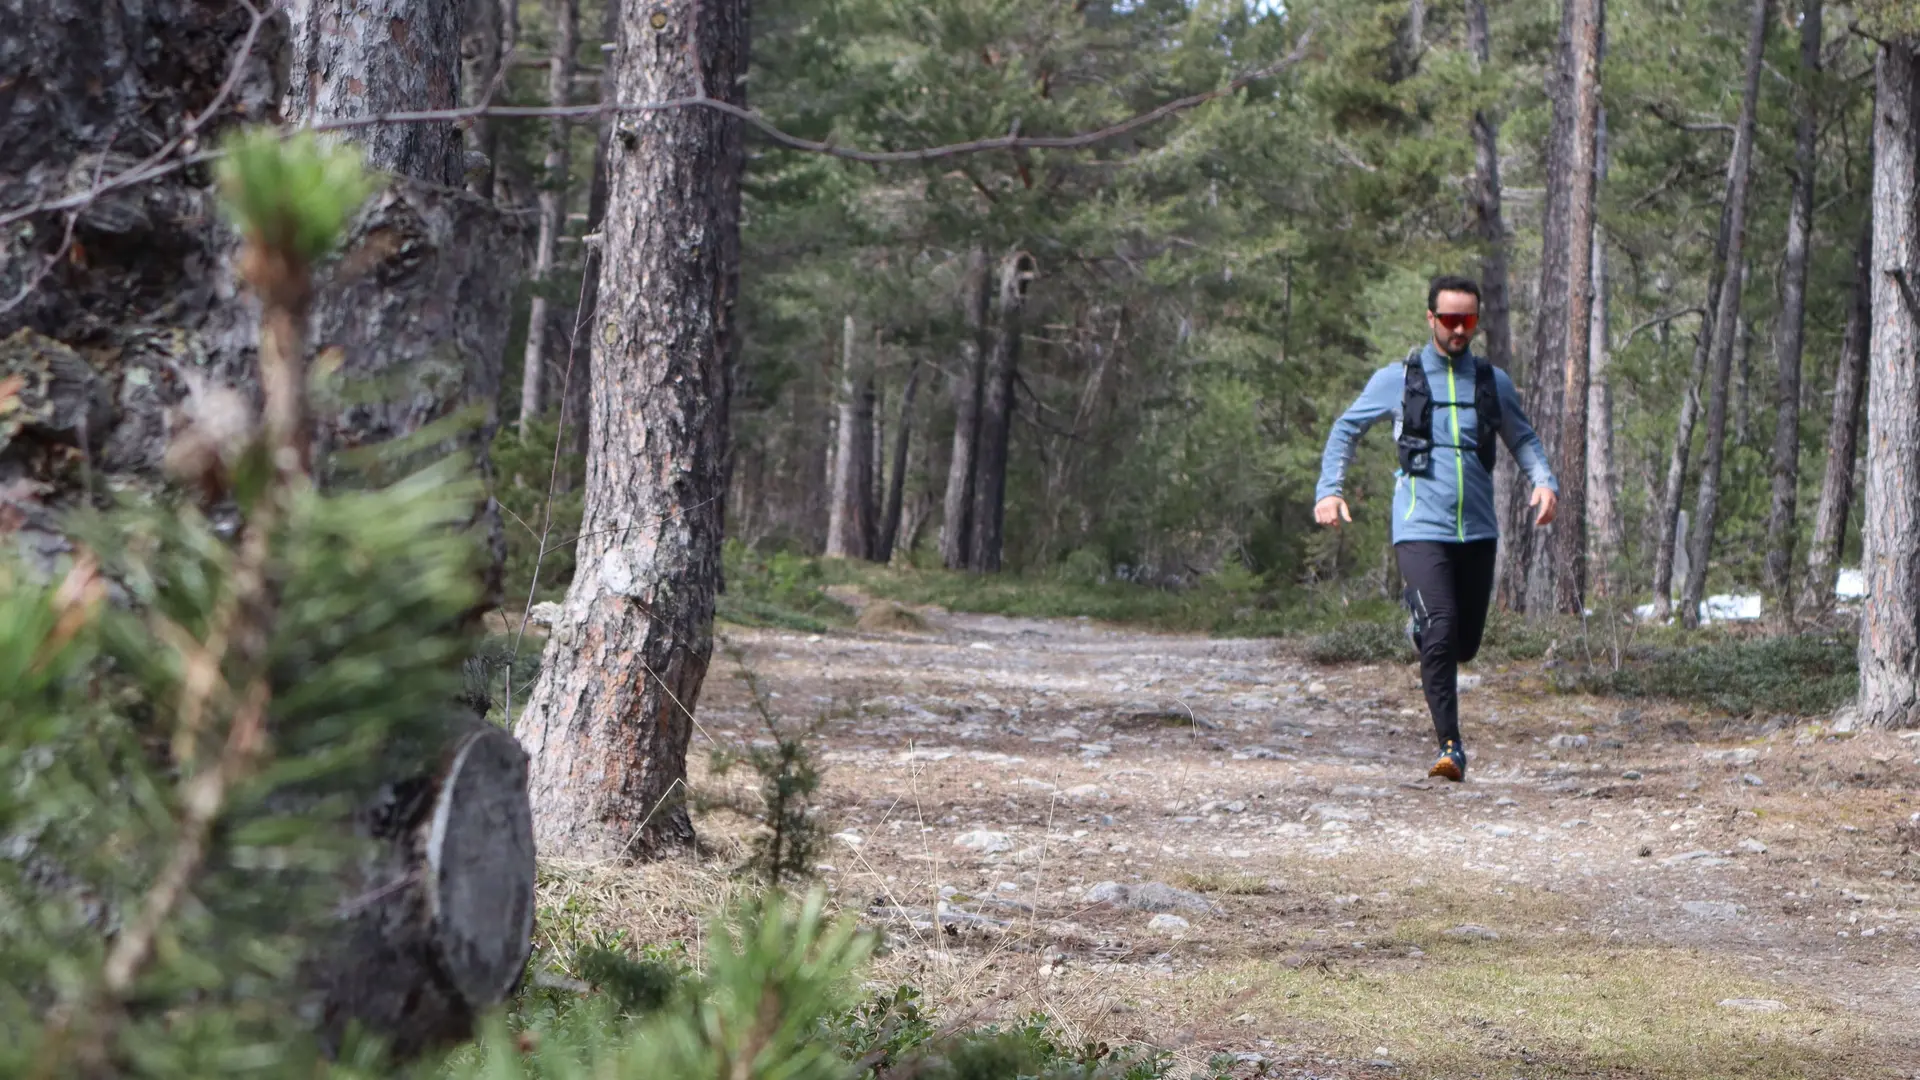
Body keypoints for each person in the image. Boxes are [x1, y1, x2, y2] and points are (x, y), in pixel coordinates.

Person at [1312, 275, 1558, 782]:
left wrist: (1543, 481)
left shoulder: (1492, 381)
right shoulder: (1398, 379)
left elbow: (1522, 437)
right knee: (1442, 629)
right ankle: (1451, 747)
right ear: (1431, 319)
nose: (1458, 329)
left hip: (1479, 529)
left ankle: (1419, 627)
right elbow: (1346, 428)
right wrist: (1329, 491)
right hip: (1419, 526)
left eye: (1468, 319)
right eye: (1449, 319)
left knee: (1463, 644)